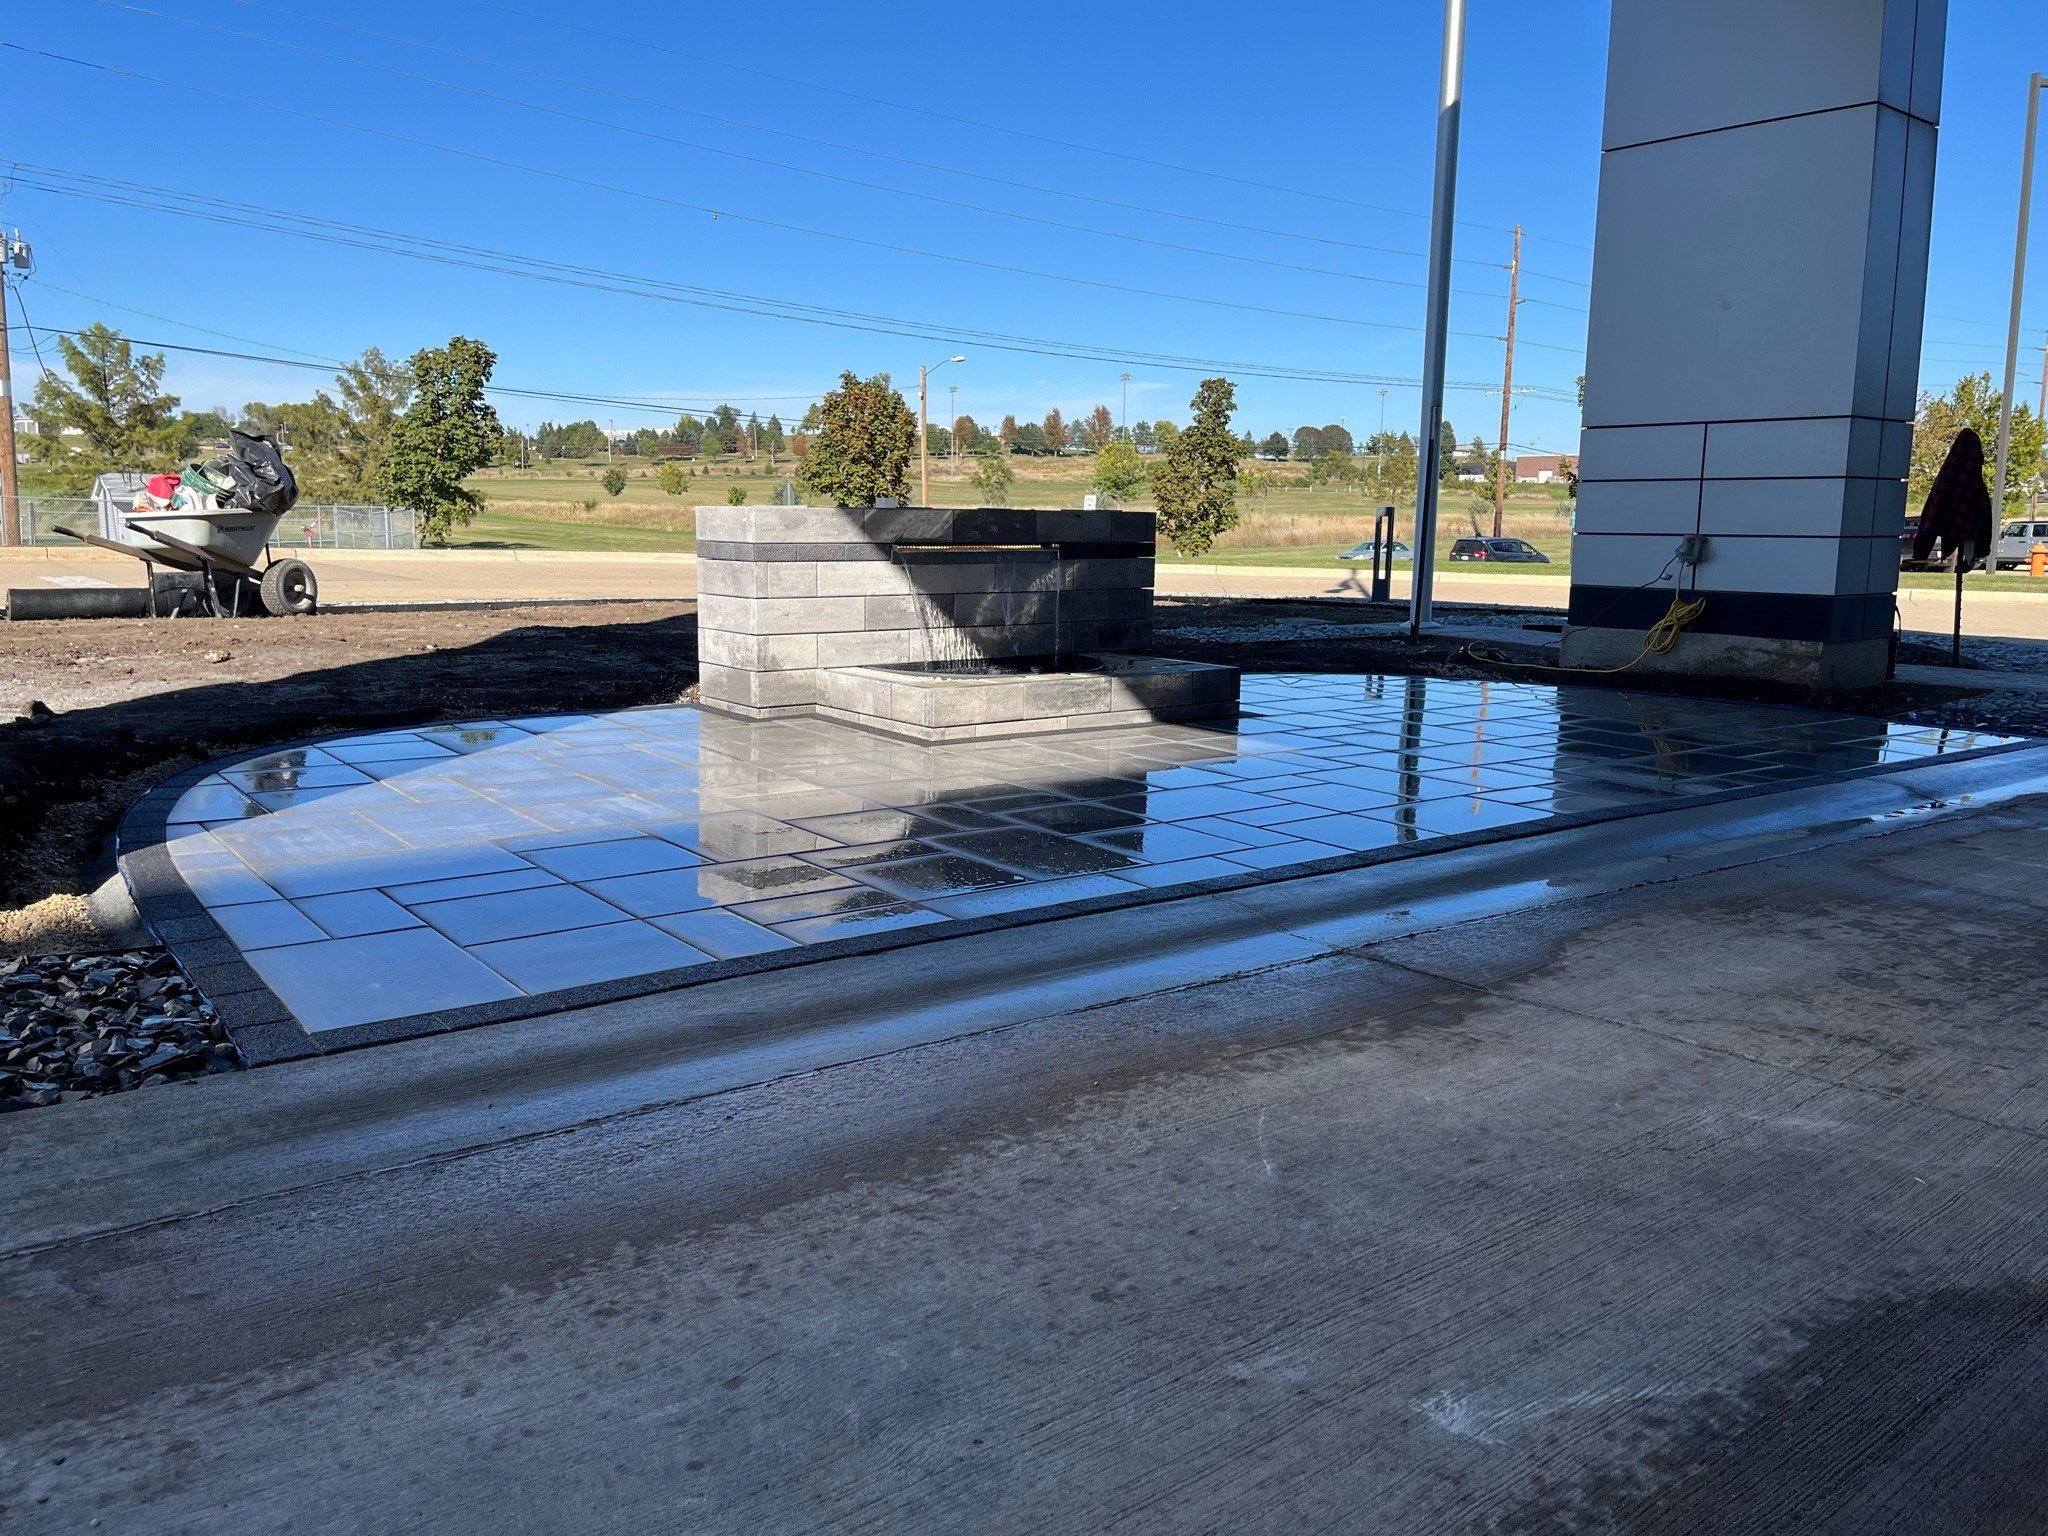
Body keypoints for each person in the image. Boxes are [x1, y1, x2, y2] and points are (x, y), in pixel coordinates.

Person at [1914, 427, 1994, 570]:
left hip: (1963, 530)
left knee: (1969, 533)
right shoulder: (1975, 484)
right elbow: (1984, 518)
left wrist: (1920, 554)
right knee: (1970, 533)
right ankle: (1968, 560)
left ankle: (1967, 559)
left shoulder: (1946, 480)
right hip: (1968, 532)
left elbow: (1930, 517)